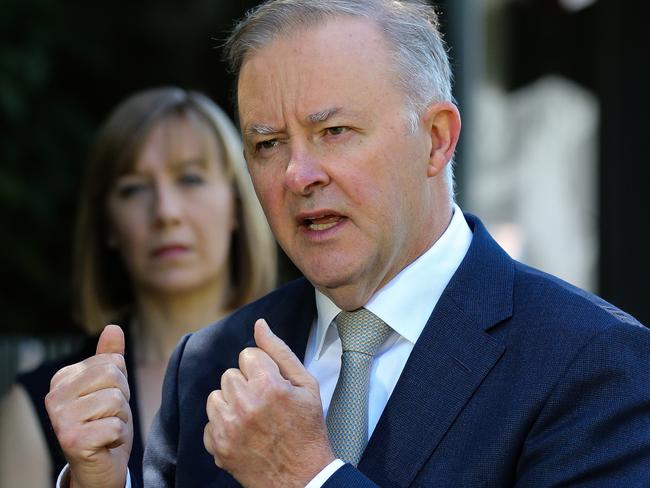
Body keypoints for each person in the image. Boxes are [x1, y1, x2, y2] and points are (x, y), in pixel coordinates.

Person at [47, 1, 650, 487]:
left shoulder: (595, 364)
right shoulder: (209, 363)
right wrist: (99, 482)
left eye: (333, 132)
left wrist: (308, 478)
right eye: (267, 144)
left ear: (436, 140)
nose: (296, 175)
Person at [0, 87, 277, 488]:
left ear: (237, 204)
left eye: (190, 179)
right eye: (134, 188)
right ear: (108, 224)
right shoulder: (38, 405)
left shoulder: (312, 358)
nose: (165, 212)